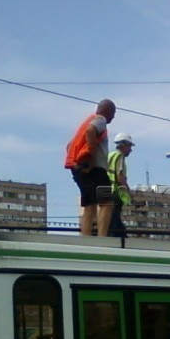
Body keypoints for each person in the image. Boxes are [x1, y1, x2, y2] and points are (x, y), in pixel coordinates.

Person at [64, 99, 116, 236]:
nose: (113, 117)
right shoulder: (100, 120)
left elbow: (69, 146)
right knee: (107, 202)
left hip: (78, 169)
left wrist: (79, 161)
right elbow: (90, 131)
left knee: (89, 205)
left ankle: (85, 238)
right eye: (114, 113)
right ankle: (102, 238)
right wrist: (91, 158)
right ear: (108, 111)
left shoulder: (84, 123)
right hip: (95, 170)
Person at [107, 132, 135, 237]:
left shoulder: (110, 155)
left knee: (114, 223)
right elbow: (120, 178)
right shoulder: (119, 156)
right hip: (114, 193)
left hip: (104, 191)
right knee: (113, 224)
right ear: (123, 145)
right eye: (129, 146)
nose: (131, 150)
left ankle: (124, 241)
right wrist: (129, 193)